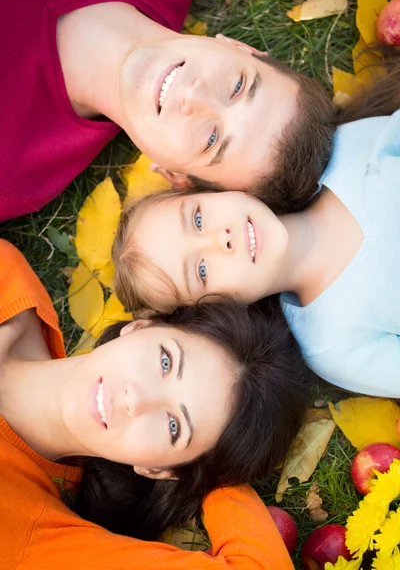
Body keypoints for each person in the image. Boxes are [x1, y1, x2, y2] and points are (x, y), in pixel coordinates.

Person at [0, 238, 309, 568]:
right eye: (165, 362)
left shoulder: (30, 532)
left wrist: (215, 476)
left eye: (174, 427)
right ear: (140, 326)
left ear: (158, 470)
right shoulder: (6, 273)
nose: (136, 399)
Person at [111, 59, 400, 398]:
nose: (222, 239)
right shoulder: (332, 345)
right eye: (201, 270)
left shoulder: (350, 149)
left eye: (198, 219)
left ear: (205, 190)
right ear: (219, 309)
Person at [0, 0, 335, 223]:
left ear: (176, 178)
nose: (196, 96)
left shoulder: (13, 171)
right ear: (239, 47)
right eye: (237, 86)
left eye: (211, 139)